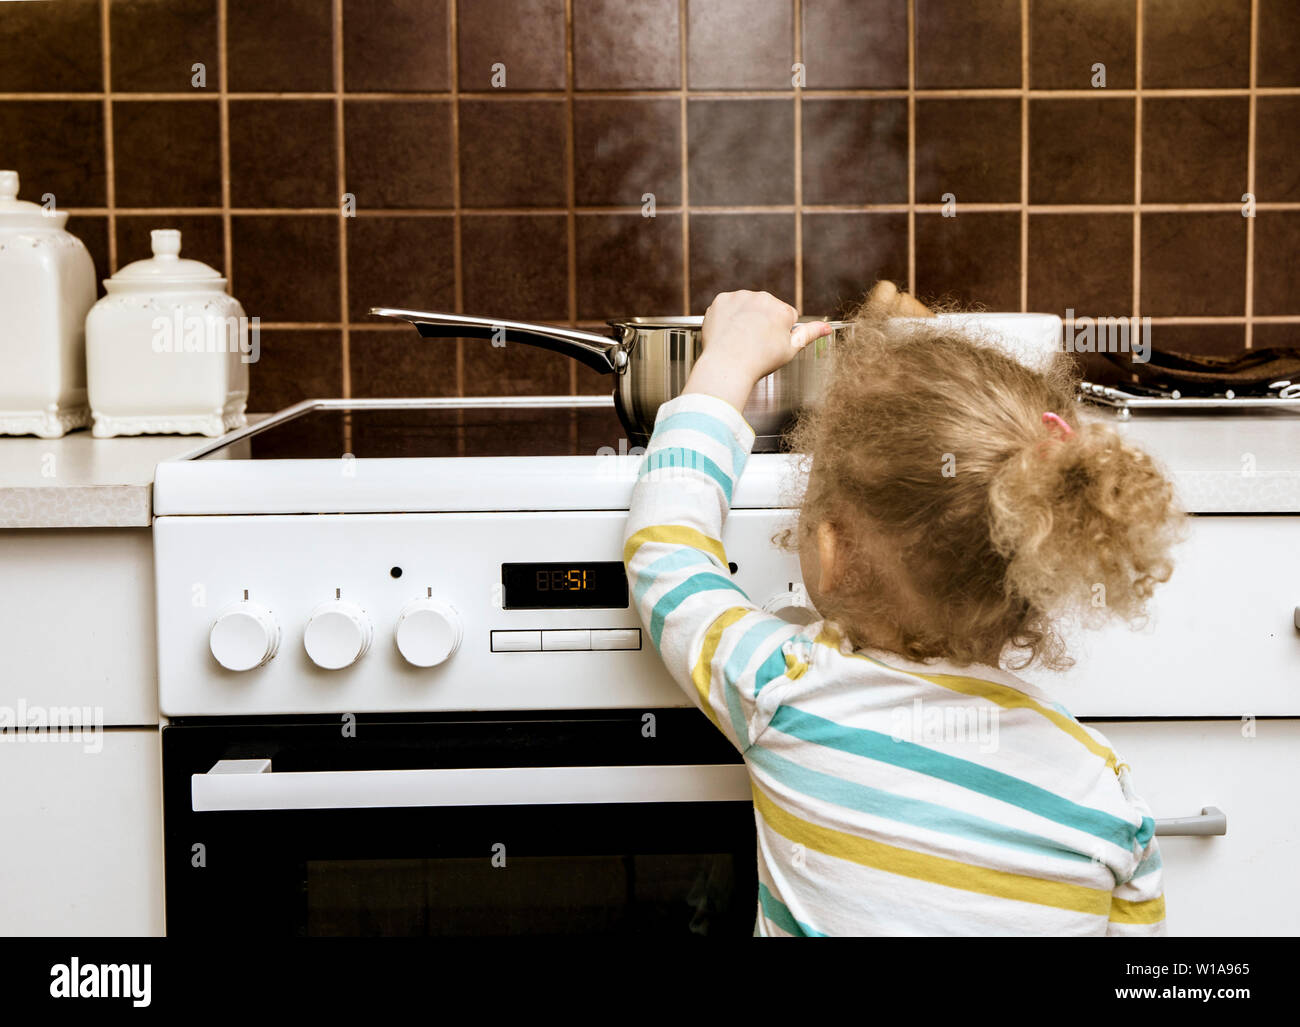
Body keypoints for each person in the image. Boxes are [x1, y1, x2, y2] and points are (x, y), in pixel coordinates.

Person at [623, 287, 1183, 936]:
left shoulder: (783, 692)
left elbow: (666, 555)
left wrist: (727, 362)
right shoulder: (1104, 793)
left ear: (828, 552)